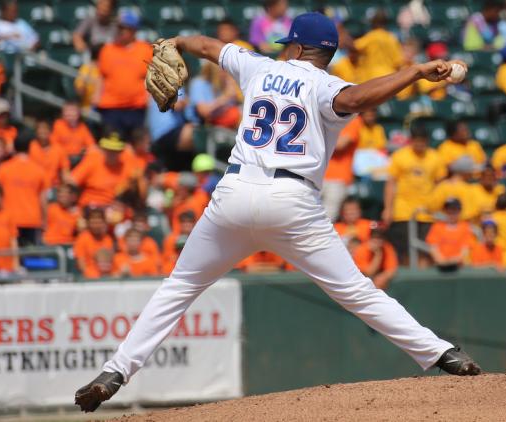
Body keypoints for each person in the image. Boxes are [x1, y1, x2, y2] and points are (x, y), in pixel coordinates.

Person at [75, 12, 480, 413]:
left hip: (233, 192)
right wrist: (414, 73)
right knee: (357, 292)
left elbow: (208, 46)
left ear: (299, 47)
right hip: (292, 200)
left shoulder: (258, 67)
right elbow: (356, 99)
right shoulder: (326, 85)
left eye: (288, 44)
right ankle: (443, 354)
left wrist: (177, 41)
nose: (285, 49)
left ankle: (115, 371)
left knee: (178, 287)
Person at [383, 125, 446, 265]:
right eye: (416, 141)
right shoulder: (400, 156)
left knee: (425, 252)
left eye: (423, 141)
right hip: (403, 211)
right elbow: (391, 183)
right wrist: (388, 208)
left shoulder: (435, 157)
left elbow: (440, 185)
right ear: (411, 140)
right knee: (404, 251)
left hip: (427, 213)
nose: (419, 145)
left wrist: (438, 207)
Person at [97, 11, 152, 138]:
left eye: (123, 28)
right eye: (118, 27)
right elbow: (101, 77)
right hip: (111, 108)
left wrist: (148, 97)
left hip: (136, 108)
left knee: (134, 148)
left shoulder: (144, 50)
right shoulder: (107, 50)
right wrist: (96, 98)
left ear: (133, 30)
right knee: (112, 145)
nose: (119, 31)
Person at [0, 136, 49, 246]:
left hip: (9, 219)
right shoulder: (39, 170)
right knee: (30, 259)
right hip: (32, 220)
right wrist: (44, 221)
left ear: (14, 148)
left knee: (11, 256)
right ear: (29, 148)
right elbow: (43, 199)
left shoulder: (4, 169)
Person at [70, 133, 135, 208]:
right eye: (108, 150)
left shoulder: (127, 164)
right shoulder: (93, 159)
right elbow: (72, 181)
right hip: (89, 207)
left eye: (115, 151)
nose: (112, 154)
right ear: (102, 149)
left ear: (121, 152)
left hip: (115, 209)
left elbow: (139, 185)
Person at [321, 115, 359, 220]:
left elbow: (340, 145)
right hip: (316, 175)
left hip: (338, 178)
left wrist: (313, 138)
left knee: (327, 220)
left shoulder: (353, 119)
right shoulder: (322, 116)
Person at [351, 9, 404, 83]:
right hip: (390, 78)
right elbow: (398, 62)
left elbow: (354, 47)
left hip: (372, 78)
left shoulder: (371, 36)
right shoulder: (392, 38)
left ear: (374, 22)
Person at [188, 61, 241, 129]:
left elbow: (234, 105)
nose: (225, 74)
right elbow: (204, 112)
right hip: (200, 127)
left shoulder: (222, 84)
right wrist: (225, 97)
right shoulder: (198, 83)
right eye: (223, 71)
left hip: (222, 125)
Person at [426, 198, 476, 270]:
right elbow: (433, 248)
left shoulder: (465, 227)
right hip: (440, 267)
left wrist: (454, 261)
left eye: (454, 209)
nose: (451, 212)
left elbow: (465, 250)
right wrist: (442, 261)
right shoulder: (437, 226)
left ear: (459, 211)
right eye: (449, 210)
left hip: (459, 267)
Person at [429, 157, 481, 222]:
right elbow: (470, 214)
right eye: (471, 171)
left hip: (443, 227)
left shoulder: (442, 186)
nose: (472, 174)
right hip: (461, 228)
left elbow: (432, 207)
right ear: (465, 172)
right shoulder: (467, 189)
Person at [353, 223, 398, 290]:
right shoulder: (362, 249)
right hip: (360, 280)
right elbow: (369, 272)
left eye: (380, 238)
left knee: (380, 281)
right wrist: (378, 254)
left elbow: (392, 270)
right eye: (374, 237)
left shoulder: (387, 247)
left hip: (377, 278)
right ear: (369, 237)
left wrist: (383, 276)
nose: (377, 240)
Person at [73, 207, 114, 274]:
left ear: (104, 223)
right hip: (88, 279)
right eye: (93, 223)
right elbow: (81, 264)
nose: (96, 226)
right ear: (88, 223)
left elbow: (110, 262)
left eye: (99, 222)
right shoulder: (82, 238)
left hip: (106, 277)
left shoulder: (108, 239)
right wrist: (92, 276)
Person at [30, 119, 71, 186]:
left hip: (53, 187)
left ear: (50, 131)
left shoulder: (59, 149)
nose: (43, 131)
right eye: (40, 128)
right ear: (36, 131)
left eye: (45, 128)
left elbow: (65, 171)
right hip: (34, 185)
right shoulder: (30, 147)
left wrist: (68, 183)